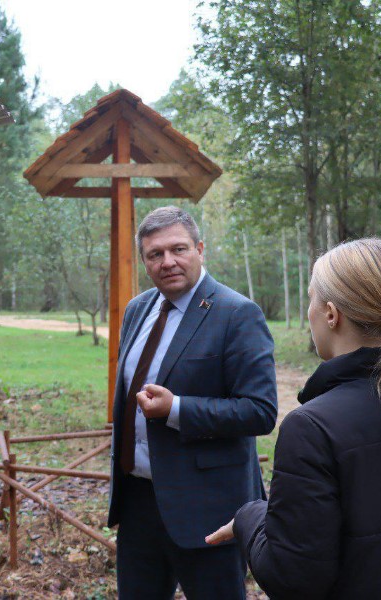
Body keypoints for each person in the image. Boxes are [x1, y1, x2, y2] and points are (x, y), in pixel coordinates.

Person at [207, 238, 381, 599]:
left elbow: (291, 579)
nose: (309, 312)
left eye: (311, 299)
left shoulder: (311, 428)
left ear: (331, 314)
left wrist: (249, 516)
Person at [108, 206, 277, 599]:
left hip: (208, 507)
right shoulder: (136, 310)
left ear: (200, 249)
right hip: (138, 502)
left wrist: (177, 410)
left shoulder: (237, 313)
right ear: (144, 261)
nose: (167, 261)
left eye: (178, 249)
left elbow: (261, 410)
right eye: (155, 254)